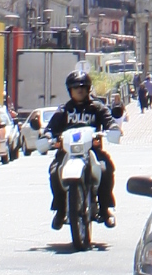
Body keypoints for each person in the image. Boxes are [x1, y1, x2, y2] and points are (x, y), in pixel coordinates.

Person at [46, 68, 116, 228]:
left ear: (88, 88)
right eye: (75, 87)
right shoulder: (64, 110)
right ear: (69, 90)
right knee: (54, 171)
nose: (79, 90)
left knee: (106, 169)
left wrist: (113, 128)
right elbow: (51, 128)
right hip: (67, 152)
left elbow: (109, 120)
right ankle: (60, 210)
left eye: (83, 86)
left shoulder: (97, 107)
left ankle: (105, 209)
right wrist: (48, 136)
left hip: (92, 151)